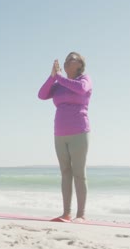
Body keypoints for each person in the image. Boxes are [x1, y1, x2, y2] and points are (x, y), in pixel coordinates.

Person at [38, 52, 92, 221]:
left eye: (72, 59)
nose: (68, 61)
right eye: (67, 59)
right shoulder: (59, 84)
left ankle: (81, 215)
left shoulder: (84, 80)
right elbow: (42, 94)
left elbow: (81, 89)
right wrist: (52, 77)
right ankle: (66, 213)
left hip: (79, 132)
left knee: (79, 173)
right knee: (65, 173)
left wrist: (59, 77)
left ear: (80, 64)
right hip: (60, 133)